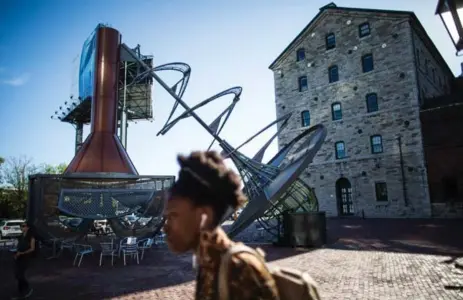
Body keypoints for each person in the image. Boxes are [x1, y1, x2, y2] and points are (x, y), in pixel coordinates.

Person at [163, 151, 280, 300]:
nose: (165, 227)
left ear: (204, 216)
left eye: (174, 216)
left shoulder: (239, 268)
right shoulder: (207, 262)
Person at [12, 222, 35, 299]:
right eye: (21, 226)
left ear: (28, 228)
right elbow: (17, 246)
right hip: (18, 257)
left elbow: (32, 248)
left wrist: (22, 253)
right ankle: (21, 291)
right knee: (17, 274)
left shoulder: (31, 237)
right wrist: (16, 253)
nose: (22, 228)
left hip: (25, 257)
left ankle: (27, 289)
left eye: (23, 226)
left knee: (20, 274)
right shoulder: (20, 237)